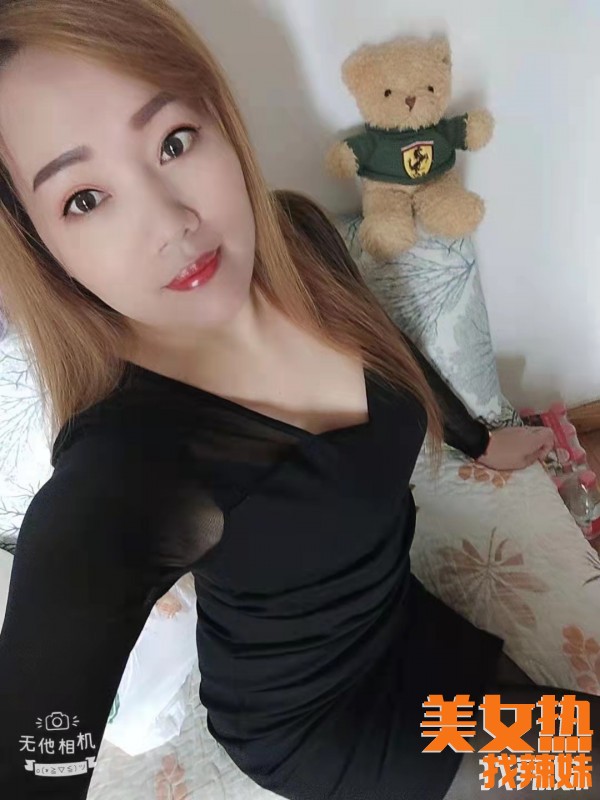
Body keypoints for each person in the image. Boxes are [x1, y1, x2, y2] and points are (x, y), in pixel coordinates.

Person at [0, 1, 596, 798]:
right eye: (84, 198)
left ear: (219, 120)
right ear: (43, 248)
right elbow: (30, 758)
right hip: (322, 728)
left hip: (404, 620)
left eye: (173, 141)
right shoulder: (129, 467)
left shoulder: (298, 238)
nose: (173, 222)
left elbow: (386, 348)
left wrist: (480, 441)